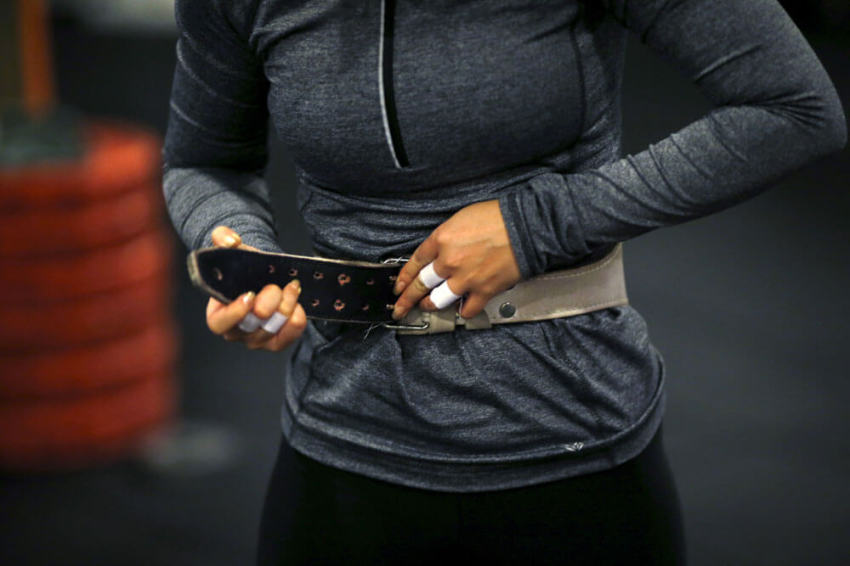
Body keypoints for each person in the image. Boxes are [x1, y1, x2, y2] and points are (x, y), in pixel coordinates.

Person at [161, 1, 846, 564]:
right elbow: (204, 161)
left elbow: (791, 106)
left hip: (570, 435)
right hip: (344, 438)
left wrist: (536, 223)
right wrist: (246, 258)